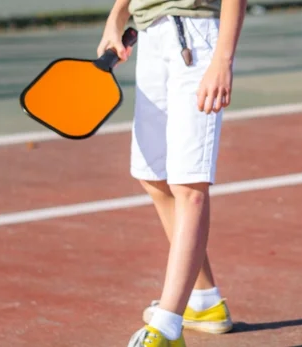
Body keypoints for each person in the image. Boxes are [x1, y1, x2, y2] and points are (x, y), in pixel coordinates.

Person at [95, 0, 246, 346]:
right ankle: (204, 299)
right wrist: (118, 16)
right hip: (149, 33)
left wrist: (222, 60)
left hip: (195, 38)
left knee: (189, 186)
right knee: (152, 174)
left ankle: (167, 327)